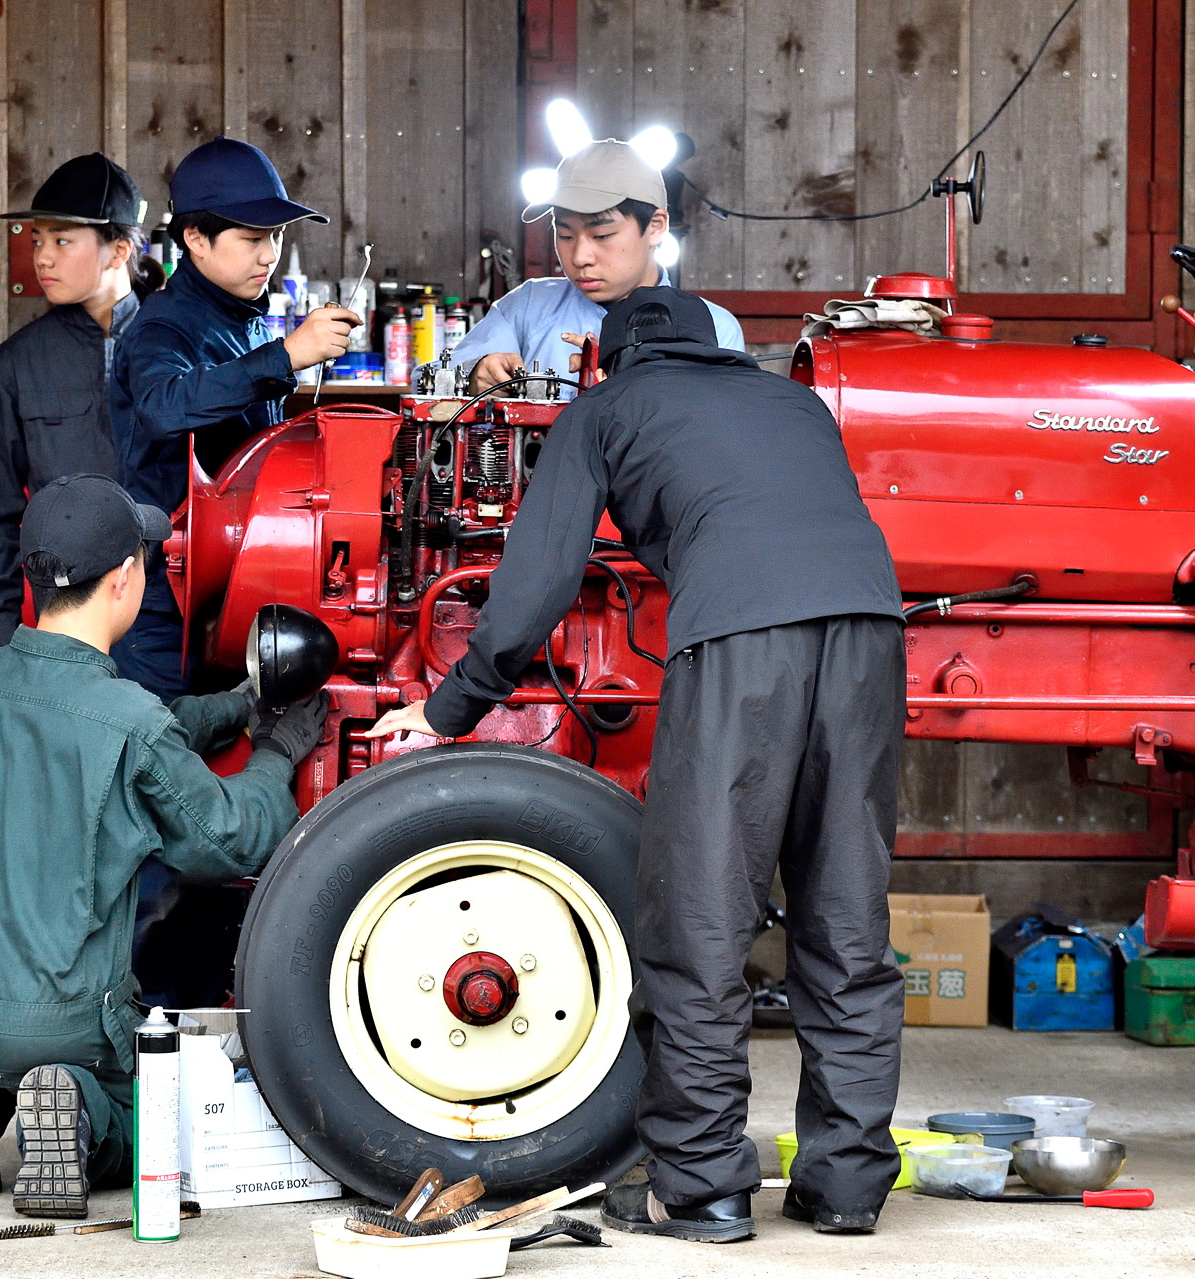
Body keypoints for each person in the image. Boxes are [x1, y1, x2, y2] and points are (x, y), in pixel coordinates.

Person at [366, 287, 907, 1243]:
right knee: (845, 913)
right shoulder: (792, 402)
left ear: (613, 359)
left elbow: (536, 583)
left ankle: (702, 1186)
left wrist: (449, 706)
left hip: (742, 639)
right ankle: (847, 1184)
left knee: (700, 916)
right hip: (870, 631)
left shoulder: (607, 407)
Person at [0, 474, 327, 1218]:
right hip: (64, 1026)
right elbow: (225, 838)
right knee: (165, 1131)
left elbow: (118, 729)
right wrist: (277, 750)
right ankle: (79, 1108)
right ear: (125, 580)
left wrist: (235, 707)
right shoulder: (129, 722)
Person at [111, 136, 358, 701]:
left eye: (274, 236)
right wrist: (287, 357)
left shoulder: (246, 320)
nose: (269, 254)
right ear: (195, 238)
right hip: (164, 603)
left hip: (233, 587)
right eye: (252, 238)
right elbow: (162, 406)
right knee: (167, 767)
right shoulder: (161, 327)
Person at [0, 153, 155, 648]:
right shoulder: (9, 370)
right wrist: (9, 650)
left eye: (62, 240)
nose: (42, 257)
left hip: (172, 632)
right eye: (37, 240)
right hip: (65, 637)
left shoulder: (179, 351)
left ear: (118, 249)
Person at [449, 139, 745, 396]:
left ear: (655, 227)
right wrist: (476, 375)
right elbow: (431, 377)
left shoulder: (715, 328)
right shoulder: (527, 307)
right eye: (565, 235)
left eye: (601, 235)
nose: (579, 257)